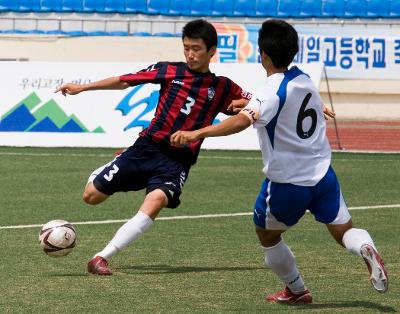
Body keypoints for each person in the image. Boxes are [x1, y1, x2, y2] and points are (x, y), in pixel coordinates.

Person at [171, 19, 388, 303]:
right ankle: (365, 245)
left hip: (288, 183)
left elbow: (241, 122)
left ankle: (297, 290)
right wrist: (249, 106)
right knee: (345, 233)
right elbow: (273, 104)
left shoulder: (269, 92)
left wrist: (197, 132)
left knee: (267, 237)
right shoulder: (304, 79)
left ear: (263, 55)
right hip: (323, 177)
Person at [55, 19, 251, 275]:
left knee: (156, 201)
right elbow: (126, 80)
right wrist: (84, 87)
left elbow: (258, 105)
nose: (190, 54)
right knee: (91, 197)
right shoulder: (169, 70)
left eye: (197, 49)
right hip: (146, 149)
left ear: (212, 50)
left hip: (177, 161)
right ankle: (119, 160)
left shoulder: (224, 87)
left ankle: (101, 258)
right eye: (186, 48)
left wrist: (247, 106)